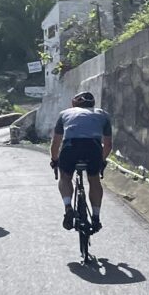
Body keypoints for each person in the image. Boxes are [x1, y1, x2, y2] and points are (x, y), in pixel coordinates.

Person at [50, 91, 114, 232]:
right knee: (94, 180)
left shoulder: (64, 114)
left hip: (70, 147)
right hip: (93, 148)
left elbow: (56, 142)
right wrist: (101, 161)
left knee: (65, 177)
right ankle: (96, 218)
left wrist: (55, 160)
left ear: (74, 103)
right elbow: (108, 145)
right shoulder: (103, 114)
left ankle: (68, 208)